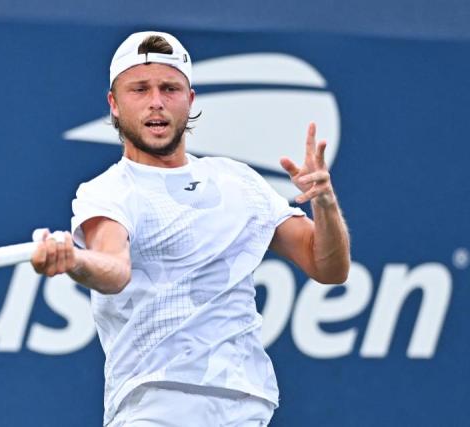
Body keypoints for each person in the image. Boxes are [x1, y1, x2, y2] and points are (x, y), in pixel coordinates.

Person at [31, 31, 350, 427]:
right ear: (113, 104)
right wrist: (75, 260)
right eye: (139, 89)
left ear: (190, 100)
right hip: (155, 408)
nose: (156, 102)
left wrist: (326, 203)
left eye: (170, 89)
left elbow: (329, 268)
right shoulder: (108, 191)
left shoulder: (239, 182)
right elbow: (114, 269)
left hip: (246, 408)